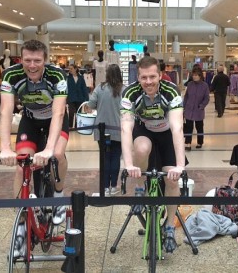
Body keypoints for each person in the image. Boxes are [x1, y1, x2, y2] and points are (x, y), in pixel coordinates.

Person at [0, 39, 69, 229]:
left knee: (56, 154)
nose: (32, 65)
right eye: (27, 60)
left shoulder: (57, 75)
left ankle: (59, 195)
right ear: (20, 59)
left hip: (55, 119)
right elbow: (5, 110)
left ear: (45, 60)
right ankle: (20, 221)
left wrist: (48, 149)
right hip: (30, 120)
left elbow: (58, 113)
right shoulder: (11, 75)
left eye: (37, 60)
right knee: (22, 166)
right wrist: (5, 148)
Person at [120, 56, 185, 253]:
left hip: (166, 134)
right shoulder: (130, 92)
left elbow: (177, 128)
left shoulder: (171, 90)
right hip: (144, 131)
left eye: (152, 77)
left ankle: (170, 225)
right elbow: (125, 128)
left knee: (172, 180)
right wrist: (129, 165)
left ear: (160, 75)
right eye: (144, 77)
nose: (148, 82)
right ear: (137, 77)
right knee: (140, 148)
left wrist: (180, 166)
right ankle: (140, 189)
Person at [87, 64, 123, 196]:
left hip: (102, 130)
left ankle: (105, 187)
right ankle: (113, 186)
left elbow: (91, 105)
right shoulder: (123, 90)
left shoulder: (100, 88)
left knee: (105, 158)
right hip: (119, 130)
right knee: (115, 157)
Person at [183, 67, 209, 151]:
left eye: (196, 75)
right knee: (188, 127)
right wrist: (184, 106)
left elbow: (206, 98)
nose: (194, 77)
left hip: (198, 111)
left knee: (199, 127)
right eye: (193, 75)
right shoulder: (190, 84)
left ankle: (200, 142)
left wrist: (201, 106)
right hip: (189, 110)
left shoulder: (204, 86)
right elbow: (186, 96)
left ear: (200, 76)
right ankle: (188, 143)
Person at [67, 64, 89, 128]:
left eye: (71, 68)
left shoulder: (81, 78)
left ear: (75, 69)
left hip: (80, 98)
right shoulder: (68, 78)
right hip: (71, 98)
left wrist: (87, 99)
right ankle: (70, 126)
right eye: (69, 69)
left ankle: (77, 126)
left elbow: (84, 88)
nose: (70, 70)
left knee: (78, 113)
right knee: (71, 113)